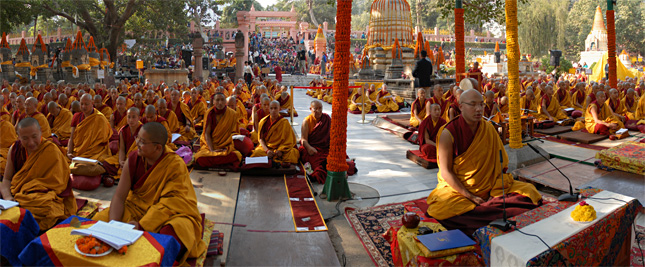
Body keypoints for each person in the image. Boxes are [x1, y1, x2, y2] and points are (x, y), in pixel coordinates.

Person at [426, 89, 542, 236]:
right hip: (459, 190)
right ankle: (489, 212)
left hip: (490, 187)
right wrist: (470, 196)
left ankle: (486, 211)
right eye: (473, 105)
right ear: (460, 106)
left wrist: (495, 189)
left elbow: (501, 164)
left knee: (530, 191)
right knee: (444, 208)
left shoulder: (488, 128)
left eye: (481, 104)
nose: (479, 109)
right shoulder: (448, 134)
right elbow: (446, 172)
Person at [93, 122, 206, 265]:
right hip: (136, 208)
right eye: (138, 139)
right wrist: (113, 226)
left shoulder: (175, 165)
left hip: (169, 215)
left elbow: (172, 204)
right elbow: (119, 197)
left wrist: (142, 226)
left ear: (158, 147)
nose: (137, 144)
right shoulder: (133, 159)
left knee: (174, 232)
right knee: (98, 222)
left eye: (142, 142)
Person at [1, 118, 77, 230]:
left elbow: (60, 187)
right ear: (18, 136)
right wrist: (8, 198)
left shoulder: (51, 151)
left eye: (34, 136)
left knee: (46, 208)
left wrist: (28, 195)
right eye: (25, 138)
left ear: (41, 132)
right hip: (16, 196)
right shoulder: (15, 149)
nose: (30, 142)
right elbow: (6, 179)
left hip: (41, 199)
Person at [194, 93, 242, 168]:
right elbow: (207, 134)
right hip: (211, 145)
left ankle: (215, 162)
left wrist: (225, 146)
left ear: (225, 102)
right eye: (217, 100)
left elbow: (235, 133)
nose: (220, 103)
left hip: (225, 146)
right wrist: (212, 150)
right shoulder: (209, 113)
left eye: (222, 100)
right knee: (199, 157)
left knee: (237, 155)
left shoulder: (232, 114)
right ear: (213, 102)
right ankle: (222, 163)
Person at [250, 101, 299, 165]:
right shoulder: (263, 121)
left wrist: (280, 150)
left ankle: (270, 159)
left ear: (279, 109)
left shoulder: (284, 122)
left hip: (281, 149)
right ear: (269, 110)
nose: (273, 110)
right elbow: (261, 139)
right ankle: (275, 159)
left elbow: (289, 141)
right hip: (268, 147)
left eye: (275, 108)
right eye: (271, 108)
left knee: (293, 153)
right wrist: (267, 150)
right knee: (257, 153)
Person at [66, 94, 113, 161]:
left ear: (92, 103)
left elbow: (103, 140)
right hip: (77, 152)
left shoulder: (100, 118)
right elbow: (72, 136)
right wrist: (69, 152)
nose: (83, 106)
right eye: (81, 104)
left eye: (86, 104)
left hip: (94, 153)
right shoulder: (76, 116)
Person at [299, 100, 330, 183]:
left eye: (320, 108)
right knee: (317, 162)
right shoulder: (307, 121)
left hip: (325, 148)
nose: (319, 111)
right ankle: (319, 172)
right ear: (310, 109)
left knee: (336, 159)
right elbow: (303, 139)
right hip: (312, 148)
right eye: (316, 108)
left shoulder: (326, 119)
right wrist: (309, 148)